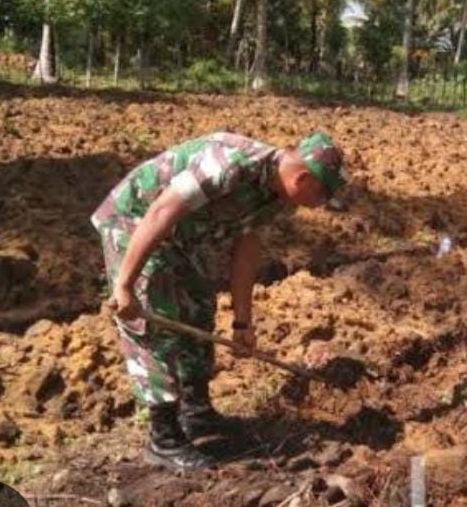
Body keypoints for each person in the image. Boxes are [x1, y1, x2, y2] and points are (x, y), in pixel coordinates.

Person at [91, 131, 347, 470]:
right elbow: (160, 212)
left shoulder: (277, 195)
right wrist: (124, 285)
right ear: (302, 178)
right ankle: (164, 438)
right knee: (154, 315)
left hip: (183, 236)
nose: (321, 204)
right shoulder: (228, 165)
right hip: (135, 221)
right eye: (322, 195)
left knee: (199, 305)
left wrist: (243, 322)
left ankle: (197, 413)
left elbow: (246, 249)